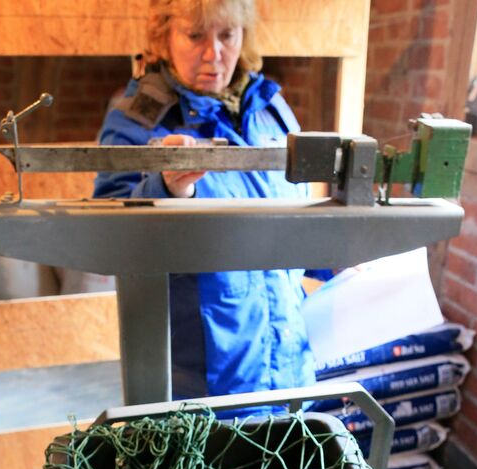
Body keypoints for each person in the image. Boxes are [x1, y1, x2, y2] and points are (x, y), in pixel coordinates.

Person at [93, 0, 319, 402]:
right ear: (165, 37)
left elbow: (296, 221)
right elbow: (108, 239)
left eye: (227, 35)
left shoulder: (271, 109)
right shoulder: (137, 120)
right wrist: (167, 190)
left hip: (289, 371)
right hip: (198, 387)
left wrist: (341, 251)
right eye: (195, 35)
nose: (214, 53)